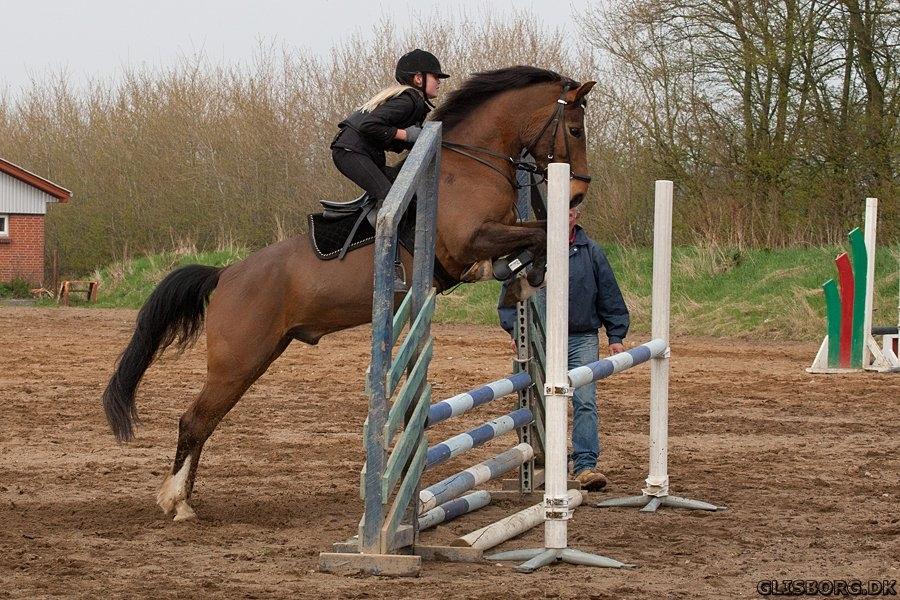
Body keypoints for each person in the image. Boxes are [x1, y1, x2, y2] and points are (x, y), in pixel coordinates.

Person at [499, 205, 630, 491]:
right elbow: (510, 291)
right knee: (537, 399)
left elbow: (608, 292)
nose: (565, 217)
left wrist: (616, 335)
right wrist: (515, 329)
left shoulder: (591, 252)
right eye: (561, 212)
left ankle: (585, 465)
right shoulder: (531, 252)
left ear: (576, 217)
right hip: (540, 338)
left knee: (585, 400)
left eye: (570, 212)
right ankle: (542, 458)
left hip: (582, 337)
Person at [331, 49, 449, 291]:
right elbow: (369, 125)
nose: (439, 82)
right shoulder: (410, 99)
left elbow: (389, 139)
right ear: (418, 78)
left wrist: (409, 138)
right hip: (351, 153)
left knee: (406, 195)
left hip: (360, 153)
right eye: (435, 77)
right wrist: (407, 135)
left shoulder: (412, 102)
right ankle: (389, 266)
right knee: (392, 200)